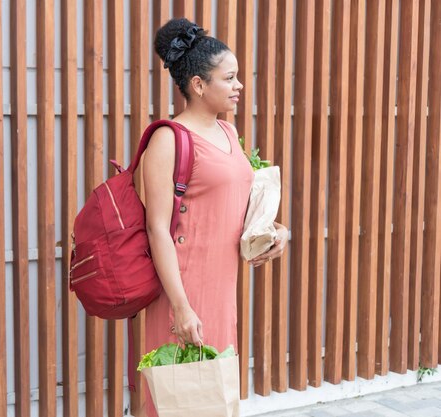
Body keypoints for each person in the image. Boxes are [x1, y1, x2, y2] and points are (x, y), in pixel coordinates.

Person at [139, 18, 288, 416]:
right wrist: (182, 307)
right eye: (230, 77)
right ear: (199, 85)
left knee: (212, 400)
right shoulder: (168, 139)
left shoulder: (226, 134)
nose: (239, 85)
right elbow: (157, 229)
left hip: (221, 291)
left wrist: (276, 232)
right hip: (182, 291)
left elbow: (233, 210)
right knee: (177, 400)